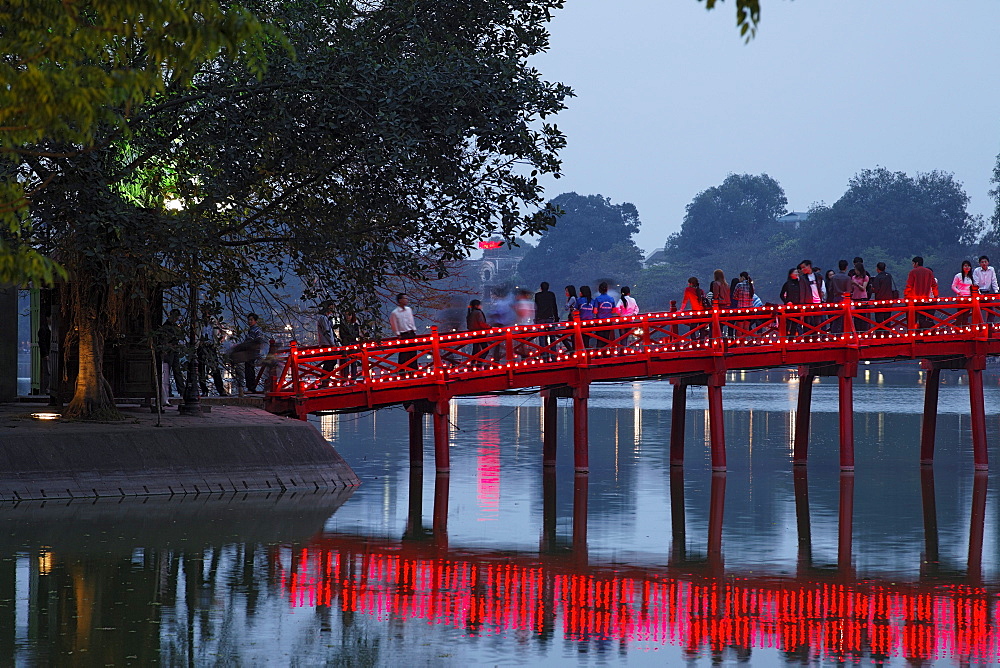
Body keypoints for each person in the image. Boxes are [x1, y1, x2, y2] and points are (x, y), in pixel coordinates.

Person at [153, 308, 186, 407]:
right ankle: (169, 393)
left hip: (174, 351)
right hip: (169, 351)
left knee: (177, 371)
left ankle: (181, 391)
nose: (176, 319)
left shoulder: (175, 327)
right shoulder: (166, 327)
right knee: (168, 373)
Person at [228, 312, 266, 393]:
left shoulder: (256, 330)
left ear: (255, 321)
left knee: (250, 370)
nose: (249, 321)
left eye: (251, 320)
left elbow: (257, 340)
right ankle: (250, 387)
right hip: (249, 352)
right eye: (249, 320)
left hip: (252, 352)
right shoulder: (251, 330)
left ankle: (251, 388)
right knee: (248, 369)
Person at [198, 306, 228, 396]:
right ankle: (204, 390)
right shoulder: (199, 323)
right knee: (201, 369)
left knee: (215, 368)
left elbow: (222, 331)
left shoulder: (214, 323)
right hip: (202, 346)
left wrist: (218, 341)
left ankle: (220, 389)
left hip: (211, 347)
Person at [905, 257, 938, 330]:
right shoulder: (929, 272)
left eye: (913, 263)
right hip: (926, 299)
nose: (913, 265)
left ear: (916, 263)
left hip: (915, 300)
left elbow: (909, 285)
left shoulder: (913, 272)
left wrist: (906, 296)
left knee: (912, 318)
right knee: (926, 317)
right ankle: (925, 332)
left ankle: (912, 332)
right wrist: (935, 296)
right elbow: (934, 285)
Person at [389, 293, 418, 371]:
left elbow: (411, 321)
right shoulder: (395, 313)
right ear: (400, 300)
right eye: (405, 298)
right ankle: (402, 371)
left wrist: (414, 330)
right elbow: (394, 324)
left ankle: (414, 371)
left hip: (411, 333)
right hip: (403, 334)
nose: (407, 300)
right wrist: (398, 334)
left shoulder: (409, 310)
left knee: (413, 354)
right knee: (403, 354)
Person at [317, 301, 339, 385]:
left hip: (328, 342)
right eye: (331, 308)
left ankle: (325, 379)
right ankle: (324, 380)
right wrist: (332, 343)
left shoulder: (328, 318)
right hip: (326, 343)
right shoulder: (323, 318)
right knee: (330, 361)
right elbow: (327, 331)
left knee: (331, 361)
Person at [973, 255, 999, 324]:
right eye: (982, 262)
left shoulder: (991, 269)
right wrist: (978, 293)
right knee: (977, 311)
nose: (984, 263)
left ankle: (989, 326)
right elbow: (976, 282)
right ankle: (978, 327)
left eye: (985, 262)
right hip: (979, 293)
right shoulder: (976, 271)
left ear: (988, 262)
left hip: (988, 293)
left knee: (992, 310)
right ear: (979, 263)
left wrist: (996, 291)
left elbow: (994, 280)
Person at [466, 299, 489, 367]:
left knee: (475, 350)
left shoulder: (470, 313)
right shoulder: (478, 313)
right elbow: (481, 323)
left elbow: (468, 326)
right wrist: (490, 327)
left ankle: (473, 364)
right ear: (477, 305)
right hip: (480, 333)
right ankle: (479, 363)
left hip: (474, 334)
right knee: (486, 350)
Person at [338, 312, 361, 378]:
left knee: (354, 362)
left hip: (353, 345)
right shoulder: (342, 325)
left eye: (349, 315)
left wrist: (350, 337)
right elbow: (342, 335)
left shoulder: (355, 325)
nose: (348, 316)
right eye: (346, 315)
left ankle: (353, 378)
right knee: (346, 362)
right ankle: (345, 378)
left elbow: (356, 335)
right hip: (346, 345)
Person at [850, 260, 871, 332]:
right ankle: (857, 331)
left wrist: (856, 284)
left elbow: (863, 288)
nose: (855, 271)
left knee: (862, 315)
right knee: (856, 316)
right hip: (855, 297)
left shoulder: (865, 277)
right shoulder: (853, 277)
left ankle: (864, 331)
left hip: (862, 297)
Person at [778, 268, 800, 336]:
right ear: (791, 274)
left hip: (798, 306)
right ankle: (785, 338)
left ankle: (792, 338)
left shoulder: (800, 283)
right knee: (788, 323)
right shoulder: (787, 284)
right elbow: (781, 295)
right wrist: (787, 302)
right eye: (795, 272)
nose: (797, 274)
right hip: (789, 306)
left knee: (795, 323)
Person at [952, 260, 974, 326]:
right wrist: (959, 293)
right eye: (965, 266)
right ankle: (958, 328)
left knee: (966, 314)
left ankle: (964, 329)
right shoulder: (958, 276)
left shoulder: (971, 277)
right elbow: (953, 286)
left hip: (969, 297)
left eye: (968, 266)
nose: (967, 267)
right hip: (961, 298)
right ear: (962, 267)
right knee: (960, 314)